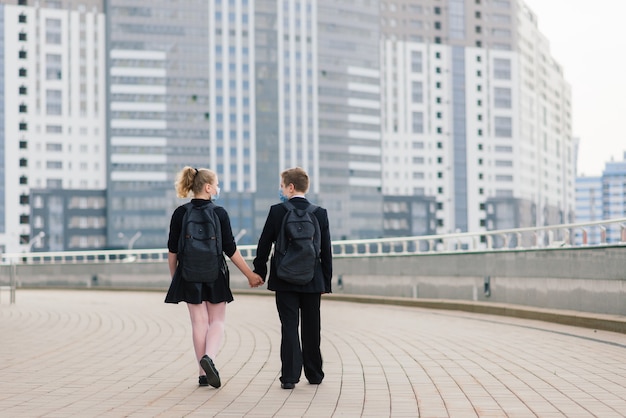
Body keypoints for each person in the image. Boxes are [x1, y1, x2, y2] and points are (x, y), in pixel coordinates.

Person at [165, 166, 264, 388]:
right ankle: (210, 357)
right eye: (217, 184)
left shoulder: (180, 213)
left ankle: (202, 374)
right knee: (217, 321)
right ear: (208, 188)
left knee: (198, 323)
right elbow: (230, 249)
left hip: (189, 273)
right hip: (215, 273)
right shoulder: (219, 213)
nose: (218, 188)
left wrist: (176, 279)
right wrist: (250, 274)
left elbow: (172, 251)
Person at [253, 167, 332, 390]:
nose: (281, 190)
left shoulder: (277, 211)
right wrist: (326, 281)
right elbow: (326, 250)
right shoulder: (319, 212)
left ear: (290, 187)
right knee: (312, 326)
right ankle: (314, 374)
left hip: (284, 278)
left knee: (289, 326)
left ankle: (289, 377)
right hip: (312, 278)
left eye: (282, 186)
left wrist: (261, 272)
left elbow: (264, 243)